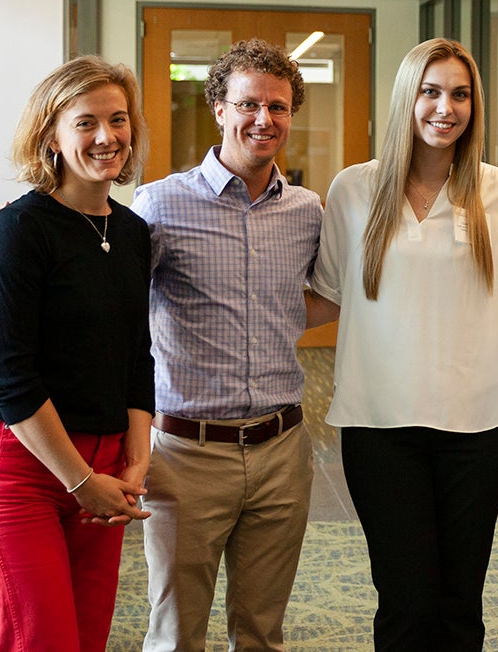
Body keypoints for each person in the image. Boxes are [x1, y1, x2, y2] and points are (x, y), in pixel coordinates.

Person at [311, 38, 498, 651]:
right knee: (406, 603)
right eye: (431, 91)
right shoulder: (353, 191)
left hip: (478, 426)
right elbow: (328, 297)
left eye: (460, 94)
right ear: (405, 99)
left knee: (460, 604)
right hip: (379, 425)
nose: (446, 107)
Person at [131, 39, 336, 652]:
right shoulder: (161, 204)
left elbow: (318, 300)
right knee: (176, 635)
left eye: (278, 107)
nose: (264, 120)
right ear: (218, 107)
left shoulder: (306, 211)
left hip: (282, 450)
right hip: (185, 454)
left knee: (262, 633)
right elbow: (113, 311)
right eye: (249, 104)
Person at [0, 56, 155, 651]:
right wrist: (79, 481)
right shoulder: (20, 230)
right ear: (50, 134)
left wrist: (136, 462)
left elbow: (136, 357)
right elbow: (12, 378)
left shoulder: (129, 232)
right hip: (24, 469)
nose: (107, 137)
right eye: (86, 122)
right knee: (37, 640)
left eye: (118, 120)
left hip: (105, 470)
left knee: (85, 639)